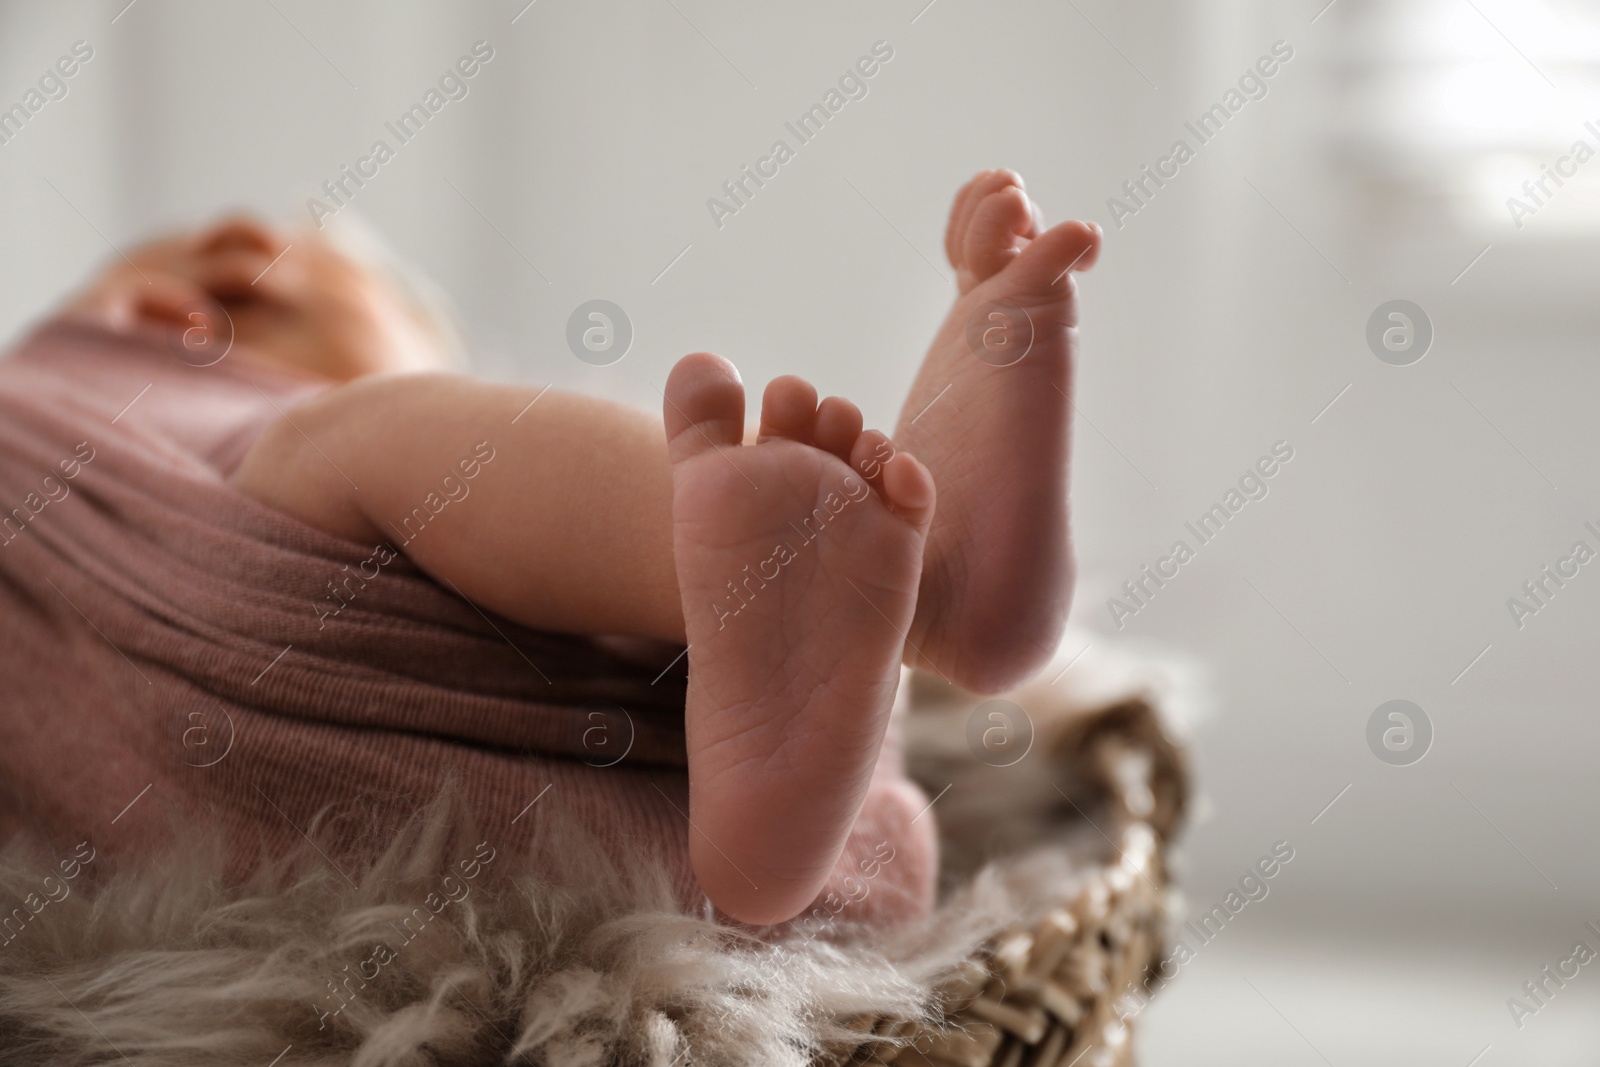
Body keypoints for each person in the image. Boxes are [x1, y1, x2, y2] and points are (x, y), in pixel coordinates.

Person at [0, 169, 1099, 927]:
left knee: (377, 453)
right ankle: (869, 583)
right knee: (371, 438)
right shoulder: (116, 370)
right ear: (212, 283)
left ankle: (832, 603)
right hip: (293, 753)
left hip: (224, 842)